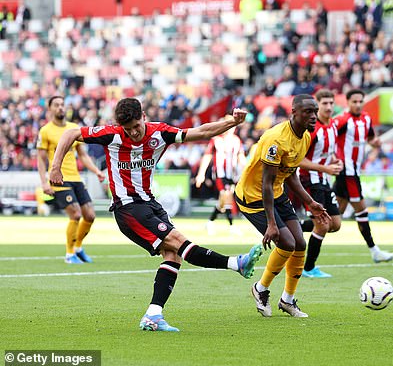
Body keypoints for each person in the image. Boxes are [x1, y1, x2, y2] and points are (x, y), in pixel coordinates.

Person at [49, 98, 263, 331]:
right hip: (128, 208)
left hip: (151, 204)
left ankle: (153, 315)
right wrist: (55, 166)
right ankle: (236, 264)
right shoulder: (112, 135)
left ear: (143, 117)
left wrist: (232, 122)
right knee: (180, 243)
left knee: (173, 256)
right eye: (127, 129)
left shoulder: (160, 133)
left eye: (135, 126)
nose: (132, 132)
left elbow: (201, 131)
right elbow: (70, 133)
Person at [235, 94, 331, 318]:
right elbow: (266, 183)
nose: (314, 116)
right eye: (308, 112)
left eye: (315, 112)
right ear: (294, 113)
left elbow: (290, 174)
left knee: (299, 243)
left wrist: (310, 202)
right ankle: (260, 289)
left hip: (275, 192)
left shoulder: (305, 137)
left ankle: (287, 300)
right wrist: (271, 224)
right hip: (253, 196)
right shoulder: (276, 139)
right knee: (286, 242)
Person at [37, 95, 105, 264]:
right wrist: (44, 182)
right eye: (57, 105)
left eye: (62, 104)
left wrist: (96, 170)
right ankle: (69, 254)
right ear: (50, 109)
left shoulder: (74, 128)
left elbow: (82, 154)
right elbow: (40, 159)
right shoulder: (45, 130)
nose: (61, 108)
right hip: (58, 179)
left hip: (76, 178)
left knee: (90, 215)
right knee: (75, 213)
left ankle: (78, 247)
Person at [333, 89, 393, 263]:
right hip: (347, 172)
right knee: (361, 210)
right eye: (354, 101)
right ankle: (374, 250)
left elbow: (370, 138)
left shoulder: (366, 118)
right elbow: (328, 137)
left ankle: (296, 229)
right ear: (347, 102)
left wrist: (374, 142)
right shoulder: (341, 120)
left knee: (332, 219)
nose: (358, 104)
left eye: (361, 101)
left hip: (353, 171)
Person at [298, 89, 344, 278]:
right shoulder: (311, 130)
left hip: (324, 179)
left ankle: (292, 225)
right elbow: (299, 159)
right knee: (323, 225)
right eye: (324, 103)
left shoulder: (333, 126)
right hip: (310, 180)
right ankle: (308, 268)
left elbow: (328, 152)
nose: (329, 107)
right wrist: (325, 168)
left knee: (335, 223)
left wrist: (335, 161)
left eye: (331, 103)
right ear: (316, 106)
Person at [195, 125, 246, 236]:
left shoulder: (236, 140)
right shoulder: (216, 140)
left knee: (223, 202)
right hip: (220, 174)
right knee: (227, 196)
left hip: (232, 175)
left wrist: (246, 171)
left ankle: (210, 222)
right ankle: (232, 226)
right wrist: (201, 174)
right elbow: (207, 156)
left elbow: (241, 157)